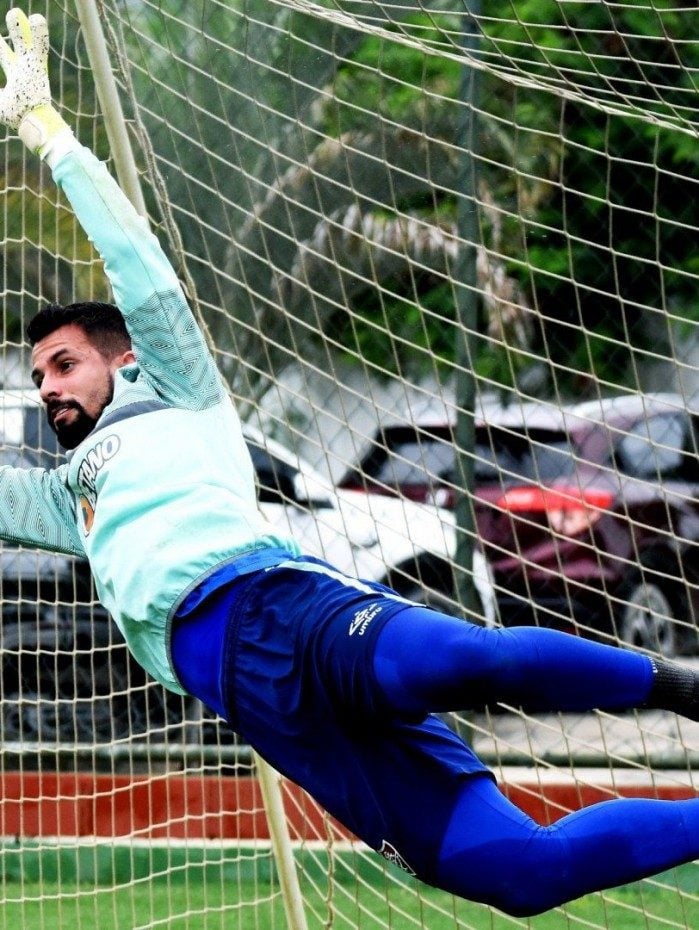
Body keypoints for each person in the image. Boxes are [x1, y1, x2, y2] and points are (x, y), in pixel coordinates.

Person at [1, 8, 699, 917]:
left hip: (278, 611)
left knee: (455, 662)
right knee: (514, 875)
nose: (50, 385)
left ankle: (679, 687)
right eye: (37, 374)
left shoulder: (181, 393)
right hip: (265, 711)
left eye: (65, 363)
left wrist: (46, 133)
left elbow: (140, 269)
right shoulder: (65, 496)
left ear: (121, 357)